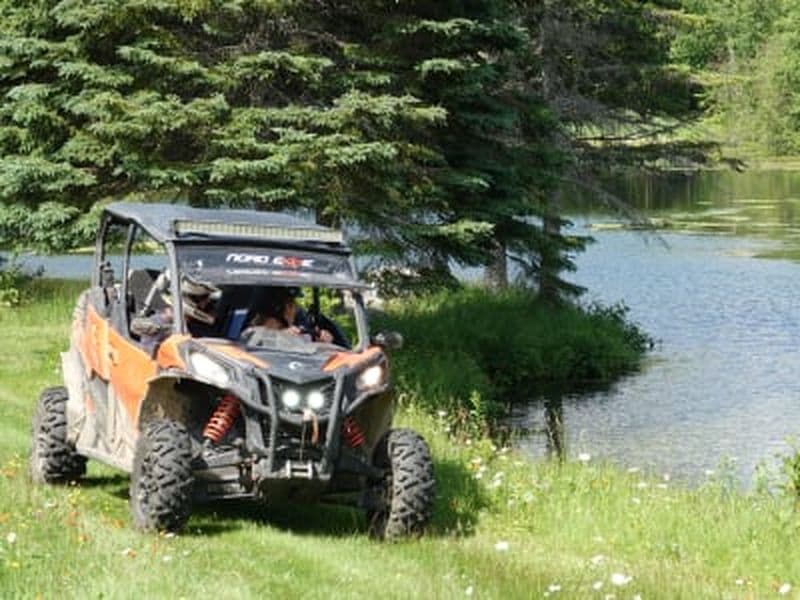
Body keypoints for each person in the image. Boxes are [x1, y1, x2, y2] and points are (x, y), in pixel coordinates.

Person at [132, 274, 220, 353]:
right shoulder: (159, 324)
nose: (208, 302)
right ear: (190, 299)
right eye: (204, 298)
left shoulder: (191, 324)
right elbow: (153, 357)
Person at [248, 287, 334, 343]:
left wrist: (322, 344)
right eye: (291, 305)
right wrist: (282, 336)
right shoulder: (251, 335)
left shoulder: (298, 336)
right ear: (278, 309)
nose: (296, 309)